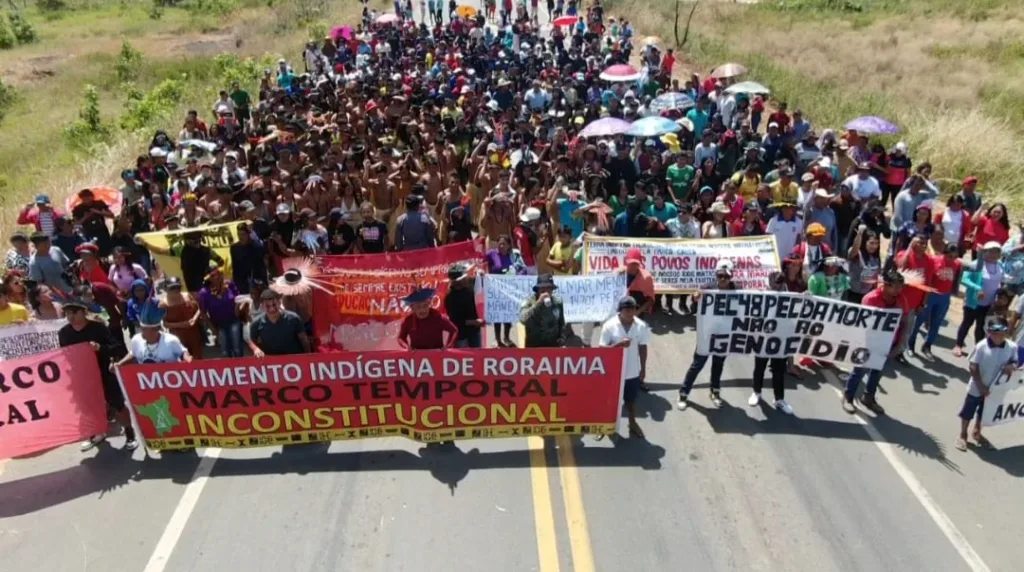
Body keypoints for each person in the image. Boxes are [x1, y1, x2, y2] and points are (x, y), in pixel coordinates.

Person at [60, 297, 138, 452]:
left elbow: (116, 347)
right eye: (67, 313)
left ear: (84, 312)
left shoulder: (98, 328)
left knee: (118, 404)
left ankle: (130, 434)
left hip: (104, 373)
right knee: (89, 407)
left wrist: (100, 348)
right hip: (83, 375)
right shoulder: (64, 333)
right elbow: (64, 355)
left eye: (74, 312)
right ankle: (96, 433)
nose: (71, 316)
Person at [842, 271, 908, 415]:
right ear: (885, 285)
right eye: (896, 287)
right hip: (868, 342)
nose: (899, 291)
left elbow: (904, 321)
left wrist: (900, 343)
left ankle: (869, 398)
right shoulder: (870, 299)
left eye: (900, 287)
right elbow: (862, 325)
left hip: (889, 343)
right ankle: (848, 397)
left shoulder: (901, 299)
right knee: (859, 371)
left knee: (878, 372)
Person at [677, 263, 736, 410]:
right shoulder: (708, 288)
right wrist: (695, 296)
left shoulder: (736, 290)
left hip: (724, 334)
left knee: (718, 364)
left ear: (731, 277)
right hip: (707, 333)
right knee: (697, 364)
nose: (723, 279)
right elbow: (694, 302)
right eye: (720, 276)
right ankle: (683, 393)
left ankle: (715, 392)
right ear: (716, 275)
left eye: (726, 276)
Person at [957, 318, 1017, 451]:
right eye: (994, 332)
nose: (998, 336)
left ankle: (977, 432)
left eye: (1002, 332)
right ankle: (963, 434)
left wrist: (1011, 366)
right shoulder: (981, 346)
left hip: (995, 390)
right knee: (968, 411)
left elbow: (1015, 362)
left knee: (985, 412)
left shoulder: (1012, 347)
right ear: (989, 332)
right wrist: (981, 386)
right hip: (977, 387)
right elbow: (973, 366)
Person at [599, 296, 650, 438]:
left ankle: (632, 423)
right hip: (613, 371)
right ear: (620, 311)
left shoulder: (641, 326)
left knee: (631, 400)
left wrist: (643, 368)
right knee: (609, 401)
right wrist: (618, 345)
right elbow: (602, 350)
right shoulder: (609, 326)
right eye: (626, 309)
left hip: (632, 372)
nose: (630, 312)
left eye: (632, 309)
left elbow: (643, 347)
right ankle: (604, 426)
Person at [749, 271, 794, 415]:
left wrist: (806, 297)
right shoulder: (762, 295)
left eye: (781, 282)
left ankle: (779, 399)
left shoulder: (790, 295)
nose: (779, 286)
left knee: (779, 370)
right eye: (776, 283)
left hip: (780, 340)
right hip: (763, 338)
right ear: (770, 283)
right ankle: (756, 392)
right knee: (759, 368)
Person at [955, 242, 1004, 357]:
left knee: (981, 327)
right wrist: (978, 288)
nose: (993, 254)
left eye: (996, 251)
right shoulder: (977, 263)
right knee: (967, 323)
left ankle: (978, 350)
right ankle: (958, 345)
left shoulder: (1000, 265)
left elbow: (1002, 279)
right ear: (984, 252)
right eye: (990, 251)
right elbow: (964, 279)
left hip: (988, 303)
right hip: (973, 302)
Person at [249, 289, 310, 357]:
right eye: (267, 306)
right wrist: (256, 349)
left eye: (274, 304)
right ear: (262, 306)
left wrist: (309, 357)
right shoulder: (256, 323)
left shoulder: (294, 318)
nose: (272, 309)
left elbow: (304, 340)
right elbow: (252, 341)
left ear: (279, 302)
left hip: (294, 359)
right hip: (272, 363)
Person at [198, 267, 243, 358]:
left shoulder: (229, 284)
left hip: (234, 320)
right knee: (225, 352)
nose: (217, 276)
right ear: (209, 278)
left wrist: (237, 309)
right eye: (213, 275)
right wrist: (213, 329)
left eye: (219, 273)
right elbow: (203, 313)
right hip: (218, 325)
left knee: (237, 348)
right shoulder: (204, 293)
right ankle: (230, 370)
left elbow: (239, 299)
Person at [161, 277, 205, 360]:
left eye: (178, 287)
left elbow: (200, 308)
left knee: (198, 357)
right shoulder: (164, 304)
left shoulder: (188, 296)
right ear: (166, 289)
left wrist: (194, 318)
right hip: (178, 336)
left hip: (194, 333)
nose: (176, 290)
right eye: (172, 288)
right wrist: (183, 324)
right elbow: (165, 324)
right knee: (183, 359)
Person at [519, 274, 566, 348]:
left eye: (549, 288)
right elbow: (523, 319)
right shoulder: (529, 302)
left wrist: (562, 337)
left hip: (553, 345)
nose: (546, 291)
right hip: (534, 346)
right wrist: (538, 304)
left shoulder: (557, 302)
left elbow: (561, 322)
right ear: (538, 290)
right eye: (543, 289)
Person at [444, 264, 484, 348]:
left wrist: (482, 276)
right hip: (461, 334)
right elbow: (455, 320)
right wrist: (474, 322)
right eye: (464, 277)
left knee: (478, 354)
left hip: (475, 331)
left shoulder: (471, 283)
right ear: (456, 282)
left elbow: (481, 280)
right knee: (462, 357)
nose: (467, 278)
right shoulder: (450, 298)